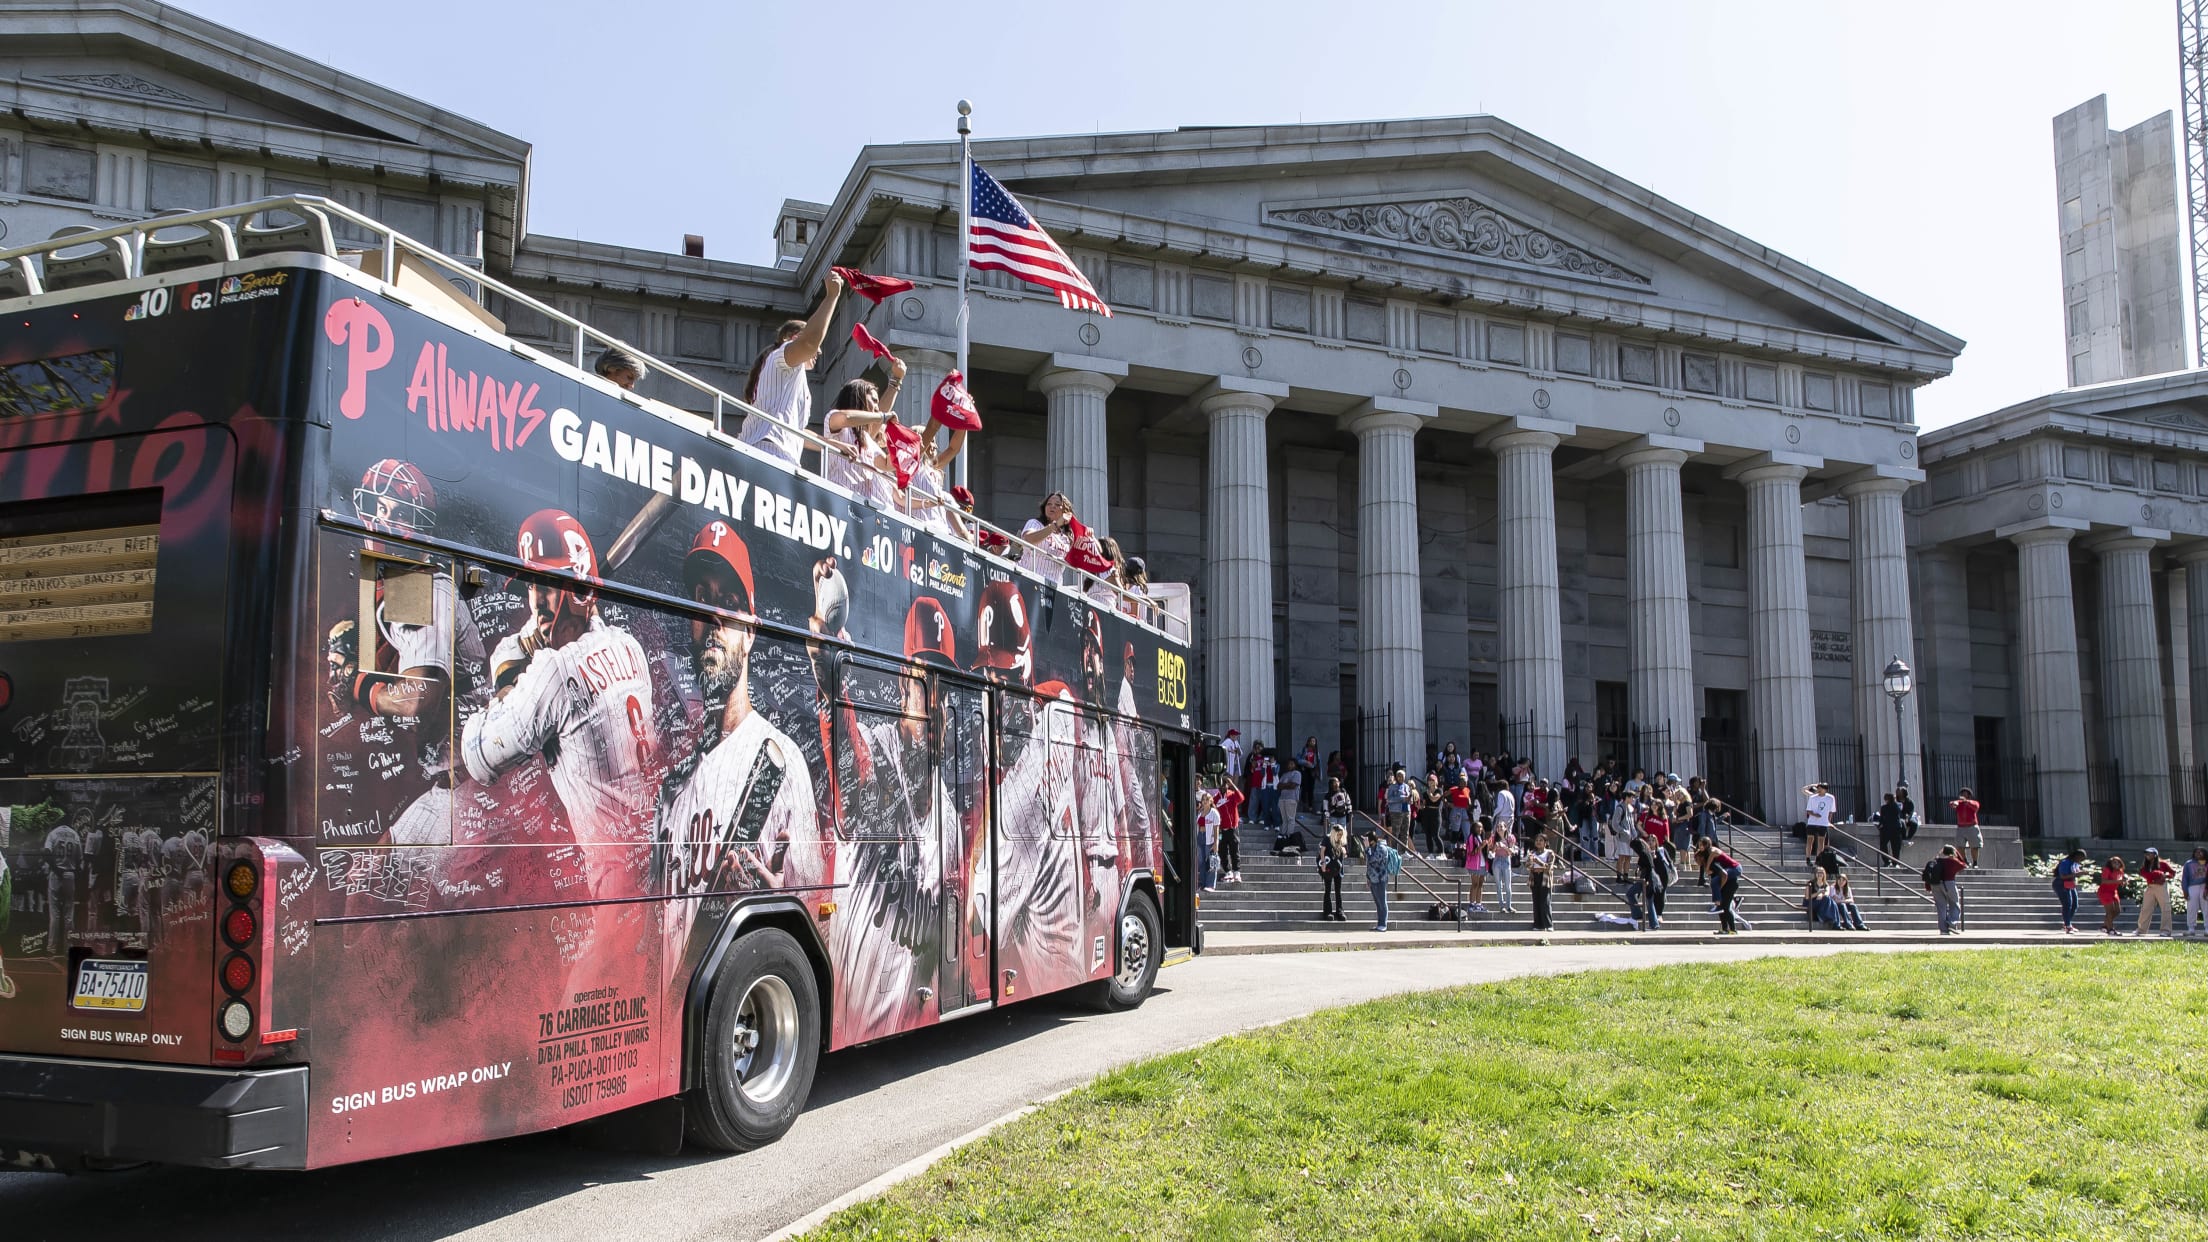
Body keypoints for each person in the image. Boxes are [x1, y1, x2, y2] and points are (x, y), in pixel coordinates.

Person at [741, 269, 844, 467]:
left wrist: (830, 445)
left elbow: (794, 429)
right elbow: (810, 343)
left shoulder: (790, 377)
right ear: (792, 339)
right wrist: (831, 296)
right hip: (769, 451)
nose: (819, 352)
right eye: (818, 346)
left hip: (780, 454)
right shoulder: (781, 358)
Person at [821, 364, 904, 509]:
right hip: (839, 499)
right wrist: (881, 416)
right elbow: (846, 418)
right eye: (873, 400)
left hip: (861, 507)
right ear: (857, 396)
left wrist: (895, 437)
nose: (877, 408)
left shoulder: (867, 439)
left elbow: (886, 464)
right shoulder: (835, 420)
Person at [1018, 491, 1078, 583]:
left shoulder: (1067, 537)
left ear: (1066, 512)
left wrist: (1088, 538)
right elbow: (1028, 540)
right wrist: (1054, 525)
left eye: (1057, 504)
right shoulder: (1035, 523)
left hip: (1054, 586)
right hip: (1029, 579)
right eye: (1049, 504)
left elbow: (1078, 561)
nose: (1052, 506)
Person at [1698, 840, 1745, 934]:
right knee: (1721, 908)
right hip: (1727, 881)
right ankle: (1724, 928)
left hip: (1733, 876)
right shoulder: (1712, 861)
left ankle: (1733, 929)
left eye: (1697, 859)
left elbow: (1724, 875)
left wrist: (1719, 888)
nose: (1697, 862)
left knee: (1726, 906)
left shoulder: (1713, 854)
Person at [1925, 845, 1967, 935]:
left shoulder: (1935, 861)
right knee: (1954, 904)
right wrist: (1957, 853)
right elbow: (1964, 864)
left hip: (1935, 885)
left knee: (1941, 907)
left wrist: (1928, 887)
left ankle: (1943, 930)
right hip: (1948, 884)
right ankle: (1951, 923)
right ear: (1953, 852)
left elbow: (1929, 873)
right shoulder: (1952, 862)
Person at [1627, 834, 1664, 931]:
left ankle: (1643, 917)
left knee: (1647, 900)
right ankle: (1646, 918)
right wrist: (1637, 871)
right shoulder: (1644, 853)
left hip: (1648, 879)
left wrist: (1647, 881)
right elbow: (1640, 865)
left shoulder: (1644, 853)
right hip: (1645, 878)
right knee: (1648, 901)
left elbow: (1649, 867)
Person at [2137, 847, 2178, 936]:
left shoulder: (2163, 863)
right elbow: (2145, 874)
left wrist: (2166, 876)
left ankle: (2166, 930)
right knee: (2145, 908)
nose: (2147, 855)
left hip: (2161, 887)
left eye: (2149, 853)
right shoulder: (2145, 865)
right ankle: (2141, 930)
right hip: (2150, 887)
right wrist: (2157, 874)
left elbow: (2172, 873)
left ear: (2155, 854)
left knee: (2165, 908)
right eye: (2146, 853)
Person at [1364, 830, 1398, 932]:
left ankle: (1383, 924)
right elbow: (1368, 865)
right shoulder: (1370, 849)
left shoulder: (1381, 848)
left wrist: (1367, 849)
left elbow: (1373, 860)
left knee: (1382, 902)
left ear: (1371, 841)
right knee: (1377, 902)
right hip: (1373, 878)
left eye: (1366, 840)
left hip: (1380, 879)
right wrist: (1368, 878)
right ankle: (1380, 923)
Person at [1213, 779, 1245, 885]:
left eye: (1226, 785)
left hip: (1232, 829)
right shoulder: (1215, 799)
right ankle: (1228, 871)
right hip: (1221, 830)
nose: (1223, 787)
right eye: (1222, 785)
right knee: (1222, 851)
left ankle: (1237, 872)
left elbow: (1241, 798)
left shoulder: (1231, 795)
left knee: (1234, 850)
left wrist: (1233, 785)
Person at [1524, 830, 1557, 931]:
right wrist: (1531, 863)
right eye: (1537, 840)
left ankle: (1548, 924)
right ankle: (1538, 925)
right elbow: (1528, 866)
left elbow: (1549, 867)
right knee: (1536, 901)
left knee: (1545, 902)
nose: (1538, 842)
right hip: (1534, 878)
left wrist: (1539, 862)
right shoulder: (1532, 853)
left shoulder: (1549, 853)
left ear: (1545, 842)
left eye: (1541, 840)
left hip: (1545, 879)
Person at [2052, 847, 2087, 935]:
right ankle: (2068, 926)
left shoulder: (2075, 863)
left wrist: (2081, 873)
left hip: (2070, 883)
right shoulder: (2065, 862)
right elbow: (2063, 876)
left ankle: (2067, 923)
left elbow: (2074, 873)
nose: (2081, 860)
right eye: (2080, 858)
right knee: (2067, 904)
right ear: (2076, 856)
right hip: (2061, 884)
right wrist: (2077, 874)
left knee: (2075, 904)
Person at [1316, 826, 1347, 922]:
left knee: (1338, 890)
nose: (1340, 836)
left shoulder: (1340, 840)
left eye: (1341, 834)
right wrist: (1323, 863)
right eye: (1339, 834)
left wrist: (1344, 851)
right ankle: (1327, 912)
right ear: (1334, 833)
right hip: (1329, 866)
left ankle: (1339, 911)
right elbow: (1322, 851)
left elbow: (1344, 852)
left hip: (1338, 866)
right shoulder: (1327, 838)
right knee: (1328, 889)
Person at [1802, 781, 1836, 864]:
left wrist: (1828, 821)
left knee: (1821, 841)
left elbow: (1831, 811)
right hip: (1812, 822)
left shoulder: (1830, 798)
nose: (1819, 790)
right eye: (1818, 788)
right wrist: (1815, 815)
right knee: (1810, 840)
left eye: (1821, 788)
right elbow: (1808, 810)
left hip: (1823, 823)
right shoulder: (1813, 797)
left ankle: (1818, 858)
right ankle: (1808, 858)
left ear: (1825, 790)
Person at [1487, 818, 1517, 914]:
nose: (1499, 828)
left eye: (1501, 827)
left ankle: (1509, 905)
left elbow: (1512, 852)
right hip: (1497, 861)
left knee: (1508, 885)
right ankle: (1501, 906)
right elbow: (1490, 853)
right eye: (1498, 827)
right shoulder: (1493, 838)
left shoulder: (1510, 838)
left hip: (1506, 860)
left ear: (1505, 828)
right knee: (1498, 885)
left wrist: (1504, 847)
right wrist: (1495, 847)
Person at [1463, 813, 1491, 911]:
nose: (1479, 829)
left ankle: (1479, 903)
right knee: (1474, 884)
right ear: (1473, 828)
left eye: (1481, 827)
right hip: (1474, 864)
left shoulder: (1481, 837)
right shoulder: (1471, 838)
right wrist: (1481, 846)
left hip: (1483, 863)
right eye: (1477, 827)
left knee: (1480, 884)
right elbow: (1471, 852)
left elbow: (1484, 852)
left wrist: (1487, 846)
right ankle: (1472, 903)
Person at [1949, 786, 1983, 868]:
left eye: (1965, 793)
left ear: (1969, 795)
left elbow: (1976, 807)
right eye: (1962, 793)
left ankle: (1975, 863)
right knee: (1960, 846)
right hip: (1961, 827)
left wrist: (1966, 802)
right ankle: (1964, 860)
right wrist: (1954, 803)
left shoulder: (1974, 803)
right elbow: (1952, 804)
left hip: (1972, 826)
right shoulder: (1959, 803)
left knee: (1974, 846)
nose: (1963, 795)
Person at [1383, 765, 1416, 845]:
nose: (1400, 778)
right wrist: (1401, 799)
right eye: (1399, 777)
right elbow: (1389, 799)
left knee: (1405, 832)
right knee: (1396, 832)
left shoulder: (1407, 787)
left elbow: (1410, 800)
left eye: (1402, 777)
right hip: (1396, 812)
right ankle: (1395, 850)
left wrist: (1410, 799)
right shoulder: (1392, 787)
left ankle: (1404, 850)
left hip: (1406, 811)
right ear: (1396, 777)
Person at [1194, 790, 1219, 892]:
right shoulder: (1200, 812)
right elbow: (1197, 826)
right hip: (1200, 837)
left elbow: (1216, 828)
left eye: (1207, 799)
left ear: (1210, 801)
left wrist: (1216, 842)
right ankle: (1203, 883)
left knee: (1212, 861)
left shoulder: (1214, 813)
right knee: (1201, 862)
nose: (1204, 801)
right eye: (1203, 799)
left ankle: (1211, 885)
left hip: (1210, 839)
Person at [2097, 855, 2127, 935]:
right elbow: (2104, 881)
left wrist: (2124, 882)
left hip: (2113, 891)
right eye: (2114, 863)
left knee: (2117, 911)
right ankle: (2111, 929)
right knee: (2109, 911)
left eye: (2118, 862)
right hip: (2105, 891)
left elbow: (2120, 880)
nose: (2116, 864)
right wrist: (2118, 882)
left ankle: (2105, 925)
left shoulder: (2120, 871)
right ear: (2110, 864)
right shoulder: (2107, 870)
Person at [1874, 790, 1905, 865]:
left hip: (1887, 829)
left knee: (1883, 846)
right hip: (1896, 829)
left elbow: (1882, 819)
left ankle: (1886, 861)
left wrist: (1879, 826)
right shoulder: (1897, 807)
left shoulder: (1884, 808)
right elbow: (1900, 816)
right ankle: (1895, 863)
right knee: (1895, 848)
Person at [2185, 847, 2208, 938]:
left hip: (2204, 886)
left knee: (2206, 907)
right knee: (2191, 908)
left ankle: (2207, 928)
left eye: (2201, 852)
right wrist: (2185, 890)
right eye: (2196, 852)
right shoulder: (2188, 864)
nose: (2198, 854)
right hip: (2192, 886)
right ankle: (2191, 928)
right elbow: (2185, 878)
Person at [1278, 761, 1303, 834]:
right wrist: (1288, 784)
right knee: (1284, 819)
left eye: (1292, 764)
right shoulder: (1284, 774)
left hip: (1291, 798)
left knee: (1290, 819)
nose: (1290, 765)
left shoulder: (1297, 773)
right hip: (1282, 798)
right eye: (1289, 764)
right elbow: (1278, 786)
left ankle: (1289, 835)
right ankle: (1283, 835)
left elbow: (1293, 785)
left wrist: (1284, 785)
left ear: (1295, 765)